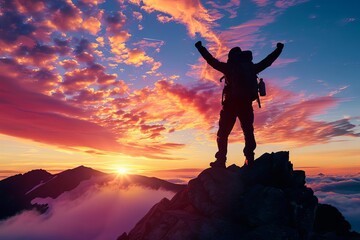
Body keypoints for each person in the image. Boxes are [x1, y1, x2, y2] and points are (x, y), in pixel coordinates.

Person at [195, 41, 284, 168]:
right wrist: (278, 49)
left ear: (231, 57)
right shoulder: (251, 67)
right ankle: (249, 159)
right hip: (246, 104)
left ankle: (220, 160)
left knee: (223, 133)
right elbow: (268, 61)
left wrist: (200, 47)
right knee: (248, 131)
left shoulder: (228, 68)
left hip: (230, 105)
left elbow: (211, 60)